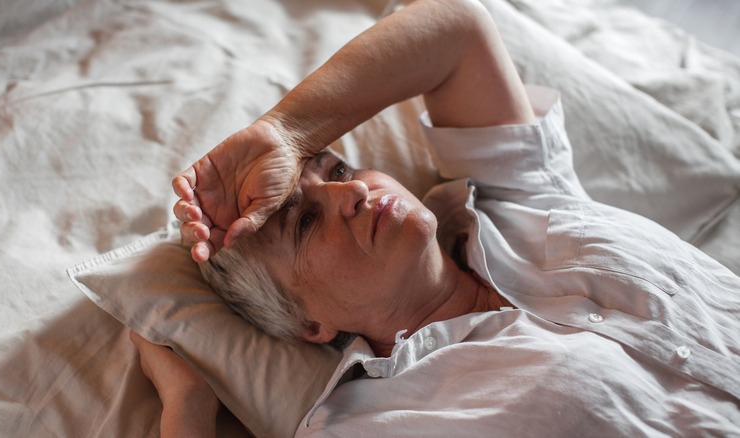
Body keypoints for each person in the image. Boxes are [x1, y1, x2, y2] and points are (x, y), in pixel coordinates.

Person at [132, 0, 740, 436]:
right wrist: (187, 407)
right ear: (308, 323)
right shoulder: (377, 419)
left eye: (339, 170)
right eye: (305, 223)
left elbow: (457, 28)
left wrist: (286, 133)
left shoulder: (518, 201)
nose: (353, 196)